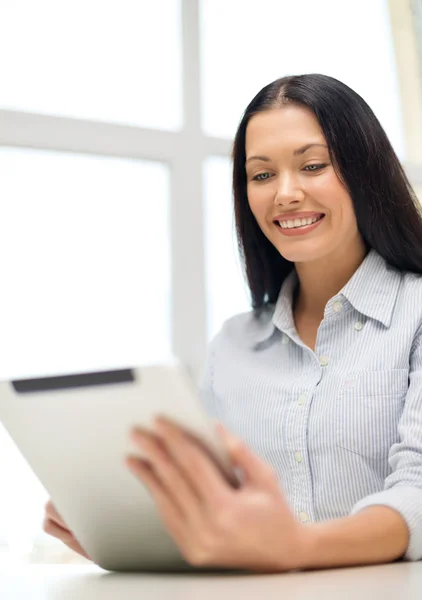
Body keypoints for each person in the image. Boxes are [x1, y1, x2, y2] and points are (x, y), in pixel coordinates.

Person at [44, 73, 422, 572]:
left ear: (365, 171)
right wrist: (129, 538)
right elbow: (215, 508)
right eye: (261, 175)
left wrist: (295, 548)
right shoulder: (234, 345)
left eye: (312, 166)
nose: (285, 194)